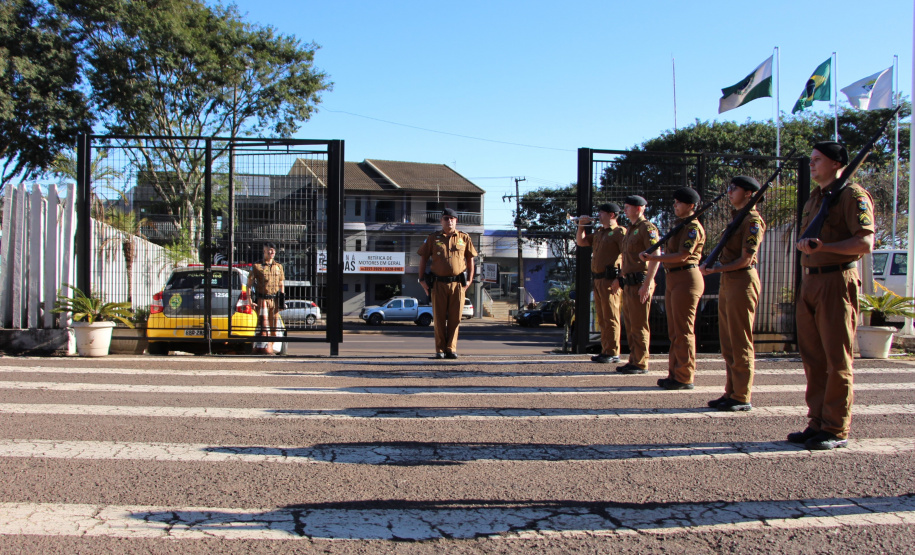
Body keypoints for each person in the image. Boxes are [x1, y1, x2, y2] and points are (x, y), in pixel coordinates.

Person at [790, 141, 875, 450]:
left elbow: (864, 244)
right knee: (813, 358)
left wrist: (824, 248)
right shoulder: (816, 197)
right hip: (810, 282)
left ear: (836, 164)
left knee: (836, 358)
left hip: (836, 280)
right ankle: (817, 422)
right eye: (811, 160)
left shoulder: (852, 196)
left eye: (817, 160)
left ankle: (836, 427)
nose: (811, 164)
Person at [700, 176, 766, 410]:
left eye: (733, 188)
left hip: (742, 280)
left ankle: (742, 395)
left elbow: (745, 259)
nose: (729, 192)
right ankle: (731, 391)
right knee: (727, 341)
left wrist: (717, 268)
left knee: (740, 339)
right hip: (729, 280)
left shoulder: (752, 221)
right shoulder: (737, 219)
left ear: (749, 193)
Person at [640, 187, 705, 389]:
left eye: (679, 202)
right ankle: (675, 373)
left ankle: (684, 375)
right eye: (675, 201)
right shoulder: (681, 225)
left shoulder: (693, 227)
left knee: (684, 330)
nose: (675, 205)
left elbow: (683, 255)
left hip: (686, 276)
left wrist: (654, 258)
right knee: (675, 330)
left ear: (691, 206)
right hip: (674, 277)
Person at [417, 208, 478, 359]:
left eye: (452, 218)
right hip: (438, 284)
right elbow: (423, 258)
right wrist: (422, 280)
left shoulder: (464, 238)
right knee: (438, 318)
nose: (449, 221)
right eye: (446, 218)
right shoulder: (433, 238)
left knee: (455, 318)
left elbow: (470, 260)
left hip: (458, 284)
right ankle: (440, 350)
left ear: (456, 221)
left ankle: (451, 348)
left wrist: (470, 280)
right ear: (441, 221)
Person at [576, 203, 627, 364]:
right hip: (598, 279)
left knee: (611, 316)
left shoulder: (620, 232)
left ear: (612, 215)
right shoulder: (599, 232)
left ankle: (613, 351)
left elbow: (627, 256)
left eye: (602, 212)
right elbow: (581, 242)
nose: (598, 215)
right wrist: (581, 226)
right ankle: (606, 350)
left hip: (610, 279)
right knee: (603, 317)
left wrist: (620, 279)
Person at [616, 195, 660, 374]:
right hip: (629, 283)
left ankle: (641, 362)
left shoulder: (647, 228)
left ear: (639, 209)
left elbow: (655, 256)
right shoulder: (631, 230)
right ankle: (633, 359)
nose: (625, 210)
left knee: (639, 324)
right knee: (632, 324)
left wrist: (647, 284)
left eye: (628, 207)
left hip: (640, 281)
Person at [247, 242, 285, 355]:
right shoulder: (257, 266)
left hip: (274, 300)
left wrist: (282, 302)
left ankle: (269, 348)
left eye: (273, 250)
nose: (272, 252)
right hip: (261, 300)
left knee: (274, 328)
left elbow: (281, 284)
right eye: (269, 250)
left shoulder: (278, 266)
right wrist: (250, 301)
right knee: (260, 326)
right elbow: (249, 285)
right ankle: (257, 348)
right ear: (264, 251)